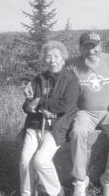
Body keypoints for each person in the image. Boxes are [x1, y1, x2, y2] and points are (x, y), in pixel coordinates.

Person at [67, 31, 109, 196]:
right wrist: (33, 82)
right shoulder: (72, 64)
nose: (92, 50)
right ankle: (80, 180)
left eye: (95, 46)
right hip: (85, 112)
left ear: (100, 46)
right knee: (78, 132)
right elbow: (53, 71)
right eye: (87, 46)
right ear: (80, 48)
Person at [20, 41, 79, 196]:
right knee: (25, 162)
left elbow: (66, 105)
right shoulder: (39, 78)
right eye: (48, 57)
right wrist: (30, 106)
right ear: (44, 59)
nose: (52, 60)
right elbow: (26, 104)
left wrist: (40, 101)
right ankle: (27, 193)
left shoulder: (71, 79)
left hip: (57, 128)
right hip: (34, 126)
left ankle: (57, 192)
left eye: (56, 56)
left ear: (63, 58)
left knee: (41, 160)